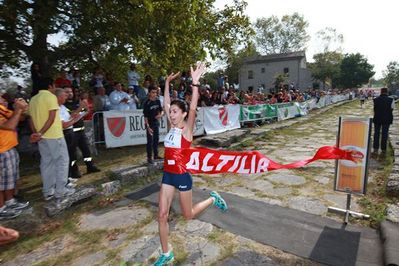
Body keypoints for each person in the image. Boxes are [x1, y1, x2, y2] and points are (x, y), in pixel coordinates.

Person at [154, 63, 227, 265]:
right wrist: (167, 83)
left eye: (175, 112)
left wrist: (195, 84)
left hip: (182, 176)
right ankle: (166, 253)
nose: (172, 114)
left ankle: (213, 199)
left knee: (188, 215)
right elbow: (165, 103)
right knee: (162, 215)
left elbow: (193, 106)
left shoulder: (187, 130)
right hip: (168, 176)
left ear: (184, 114)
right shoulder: (171, 126)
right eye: (171, 112)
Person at [28, 78, 74, 203]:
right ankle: (60, 191)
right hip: (54, 135)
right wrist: (41, 132)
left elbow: (31, 119)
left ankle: (48, 192)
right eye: (54, 86)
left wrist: (36, 133)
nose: (55, 88)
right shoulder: (51, 97)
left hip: (42, 137)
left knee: (46, 163)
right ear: (50, 86)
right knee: (62, 162)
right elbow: (52, 116)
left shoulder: (33, 99)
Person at [0, 94, 30, 220]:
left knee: (10, 179)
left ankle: (10, 201)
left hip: (9, 147)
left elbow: (20, 118)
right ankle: (1, 209)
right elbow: (10, 125)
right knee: (1, 182)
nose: (3, 101)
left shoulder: (1, 108)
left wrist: (23, 109)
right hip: (2, 150)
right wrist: (18, 109)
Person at [64, 87, 101, 176]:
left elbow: (84, 112)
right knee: (72, 153)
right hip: (71, 132)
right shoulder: (63, 105)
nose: (70, 93)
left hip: (81, 130)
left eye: (71, 91)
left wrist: (85, 108)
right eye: (67, 92)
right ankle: (74, 171)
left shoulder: (77, 102)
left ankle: (90, 166)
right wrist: (80, 108)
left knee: (86, 150)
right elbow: (70, 116)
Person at [143, 86, 163, 164]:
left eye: (156, 92)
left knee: (156, 139)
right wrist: (147, 127)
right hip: (149, 125)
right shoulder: (146, 103)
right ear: (149, 93)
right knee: (150, 141)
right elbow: (145, 117)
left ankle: (156, 155)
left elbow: (162, 111)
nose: (154, 94)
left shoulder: (158, 101)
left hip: (156, 123)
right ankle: (149, 158)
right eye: (153, 92)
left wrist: (160, 115)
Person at [372, 87, 395, 157]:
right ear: (387, 92)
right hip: (387, 118)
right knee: (385, 134)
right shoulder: (391, 100)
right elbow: (392, 108)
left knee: (376, 133)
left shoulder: (375, 99)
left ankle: (375, 148)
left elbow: (375, 108)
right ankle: (383, 149)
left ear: (381, 92)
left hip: (377, 118)